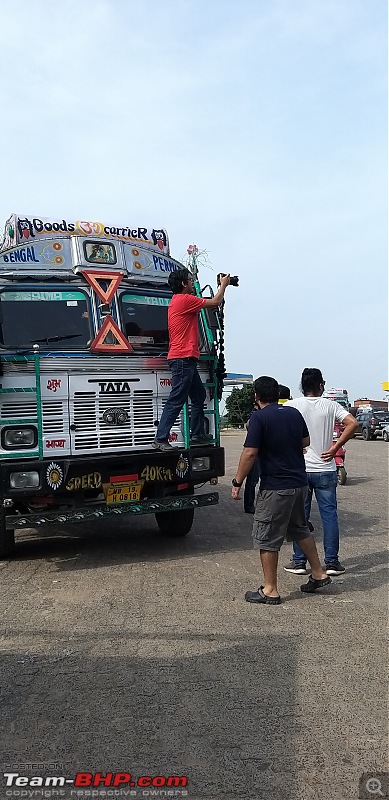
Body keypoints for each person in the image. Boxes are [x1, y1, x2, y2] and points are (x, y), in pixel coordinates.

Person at [231, 376, 332, 604]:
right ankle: (318, 573)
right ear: (277, 394)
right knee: (300, 528)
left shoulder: (259, 418)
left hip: (276, 488)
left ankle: (270, 590)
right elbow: (305, 442)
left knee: (267, 537)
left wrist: (237, 483)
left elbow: (249, 453)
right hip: (299, 484)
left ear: (257, 396)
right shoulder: (293, 413)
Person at [284, 368, 358, 576]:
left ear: (302, 386)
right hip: (325, 468)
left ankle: (299, 561)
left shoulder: (292, 406)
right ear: (320, 385)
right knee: (329, 516)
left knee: (300, 517)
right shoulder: (331, 405)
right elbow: (353, 424)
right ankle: (332, 562)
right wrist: (335, 447)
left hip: (301, 469)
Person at [153, 268, 230, 450]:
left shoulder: (178, 301)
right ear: (183, 284)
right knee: (177, 398)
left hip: (185, 358)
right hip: (183, 358)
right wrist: (224, 286)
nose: (192, 283)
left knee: (198, 396)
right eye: (190, 280)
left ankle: (197, 433)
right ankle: (161, 437)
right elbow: (215, 302)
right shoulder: (184, 300)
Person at [244, 384, 291, 513]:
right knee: (253, 480)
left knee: (258, 479)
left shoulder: (262, 412)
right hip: (258, 450)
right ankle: (249, 505)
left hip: (263, 450)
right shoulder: (257, 413)